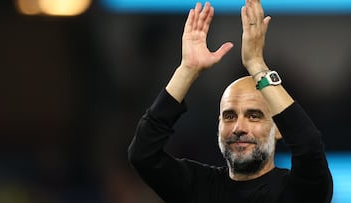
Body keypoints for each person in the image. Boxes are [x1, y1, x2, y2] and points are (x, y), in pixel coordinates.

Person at [128, 0, 333, 202]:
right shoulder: (197, 187)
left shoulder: (300, 191)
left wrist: (256, 65)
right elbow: (143, 154)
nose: (238, 127)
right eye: (229, 116)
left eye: (254, 116)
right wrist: (187, 70)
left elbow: (309, 147)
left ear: (279, 129)